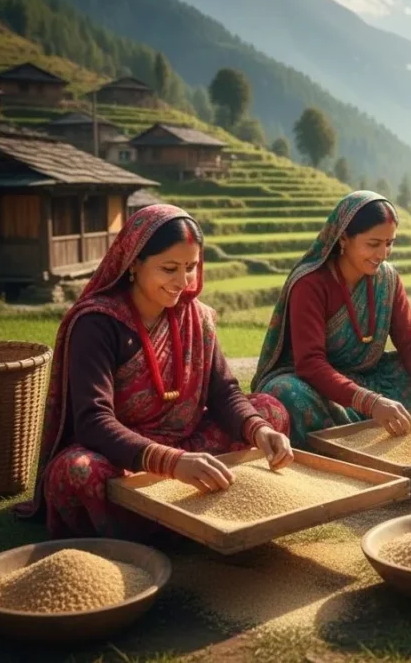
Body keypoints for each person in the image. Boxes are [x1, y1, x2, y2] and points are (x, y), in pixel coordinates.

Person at [16, 205, 293, 539]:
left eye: (191, 267)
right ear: (134, 263)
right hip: (126, 457)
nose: (182, 281)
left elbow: (225, 393)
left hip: (188, 446)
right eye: (169, 268)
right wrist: (171, 463)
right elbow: (93, 421)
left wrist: (260, 431)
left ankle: (192, 516)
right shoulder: (97, 324)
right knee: (77, 472)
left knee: (269, 412)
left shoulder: (196, 317)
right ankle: (189, 521)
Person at [252, 191, 411, 448]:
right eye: (373, 243)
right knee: (288, 394)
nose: (383, 253)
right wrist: (371, 402)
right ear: (343, 238)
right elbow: (310, 364)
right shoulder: (311, 284)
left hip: (371, 376)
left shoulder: (387, 279)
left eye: (390, 243)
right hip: (319, 384)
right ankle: (340, 454)